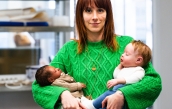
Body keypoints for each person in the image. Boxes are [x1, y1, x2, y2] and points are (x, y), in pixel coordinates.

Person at [32, 0, 162, 109]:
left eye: (100, 10)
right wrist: (63, 94)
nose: (95, 17)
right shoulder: (69, 49)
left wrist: (122, 94)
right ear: (80, 14)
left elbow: (153, 82)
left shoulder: (126, 45)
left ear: (108, 14)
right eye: (88, 11)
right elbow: (38, 87)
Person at [82, 40, 151, 109]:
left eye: (127, 54)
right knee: (105, 105)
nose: (122, 55)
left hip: (123, 94)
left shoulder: (139, 70)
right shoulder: (125, 68)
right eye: (123, 53)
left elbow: (135, 79)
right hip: (116, 91)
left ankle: (92, 105)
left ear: (138, 60)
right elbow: (116, 75)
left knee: (107, 94)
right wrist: (119, 67)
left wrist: (118, 81)